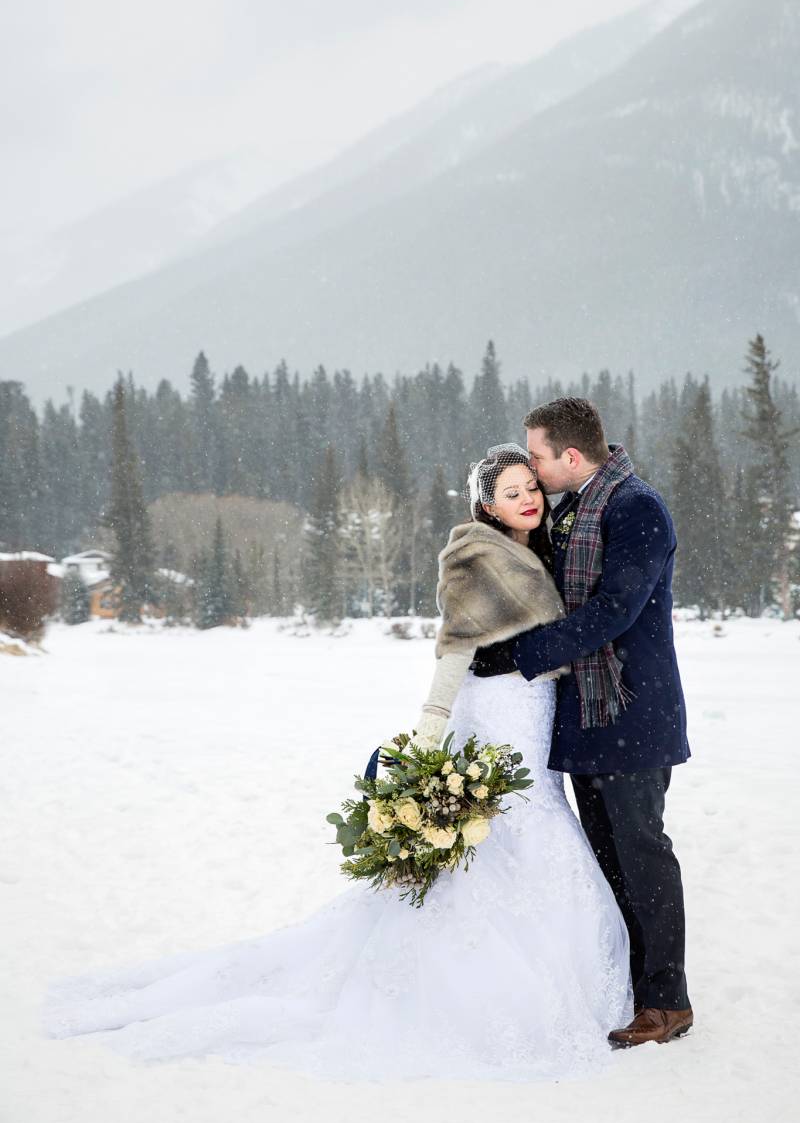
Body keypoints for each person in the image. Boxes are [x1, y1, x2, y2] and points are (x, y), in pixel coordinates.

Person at [43, 445, 631, 1081]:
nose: (527, 498)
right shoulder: (476, 554)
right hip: (494, 712)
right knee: (506, 829)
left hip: (533, 709)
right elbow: (455, 649)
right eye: (511, 491)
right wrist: (429, 730)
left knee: (533, 822)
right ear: (486, 504)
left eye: (530, 487)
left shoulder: (542, 549)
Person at [511, 398, 692, 1048]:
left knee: (643, 855)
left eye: (536, 454)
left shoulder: (636, 508)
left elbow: (615, 608)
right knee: (605, 860)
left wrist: (527, 653)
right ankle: (627, 985)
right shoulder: (573, 512)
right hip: (587, 719)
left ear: (570, 455)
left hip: (633, 713)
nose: (532, 467)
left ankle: (667, 1001)